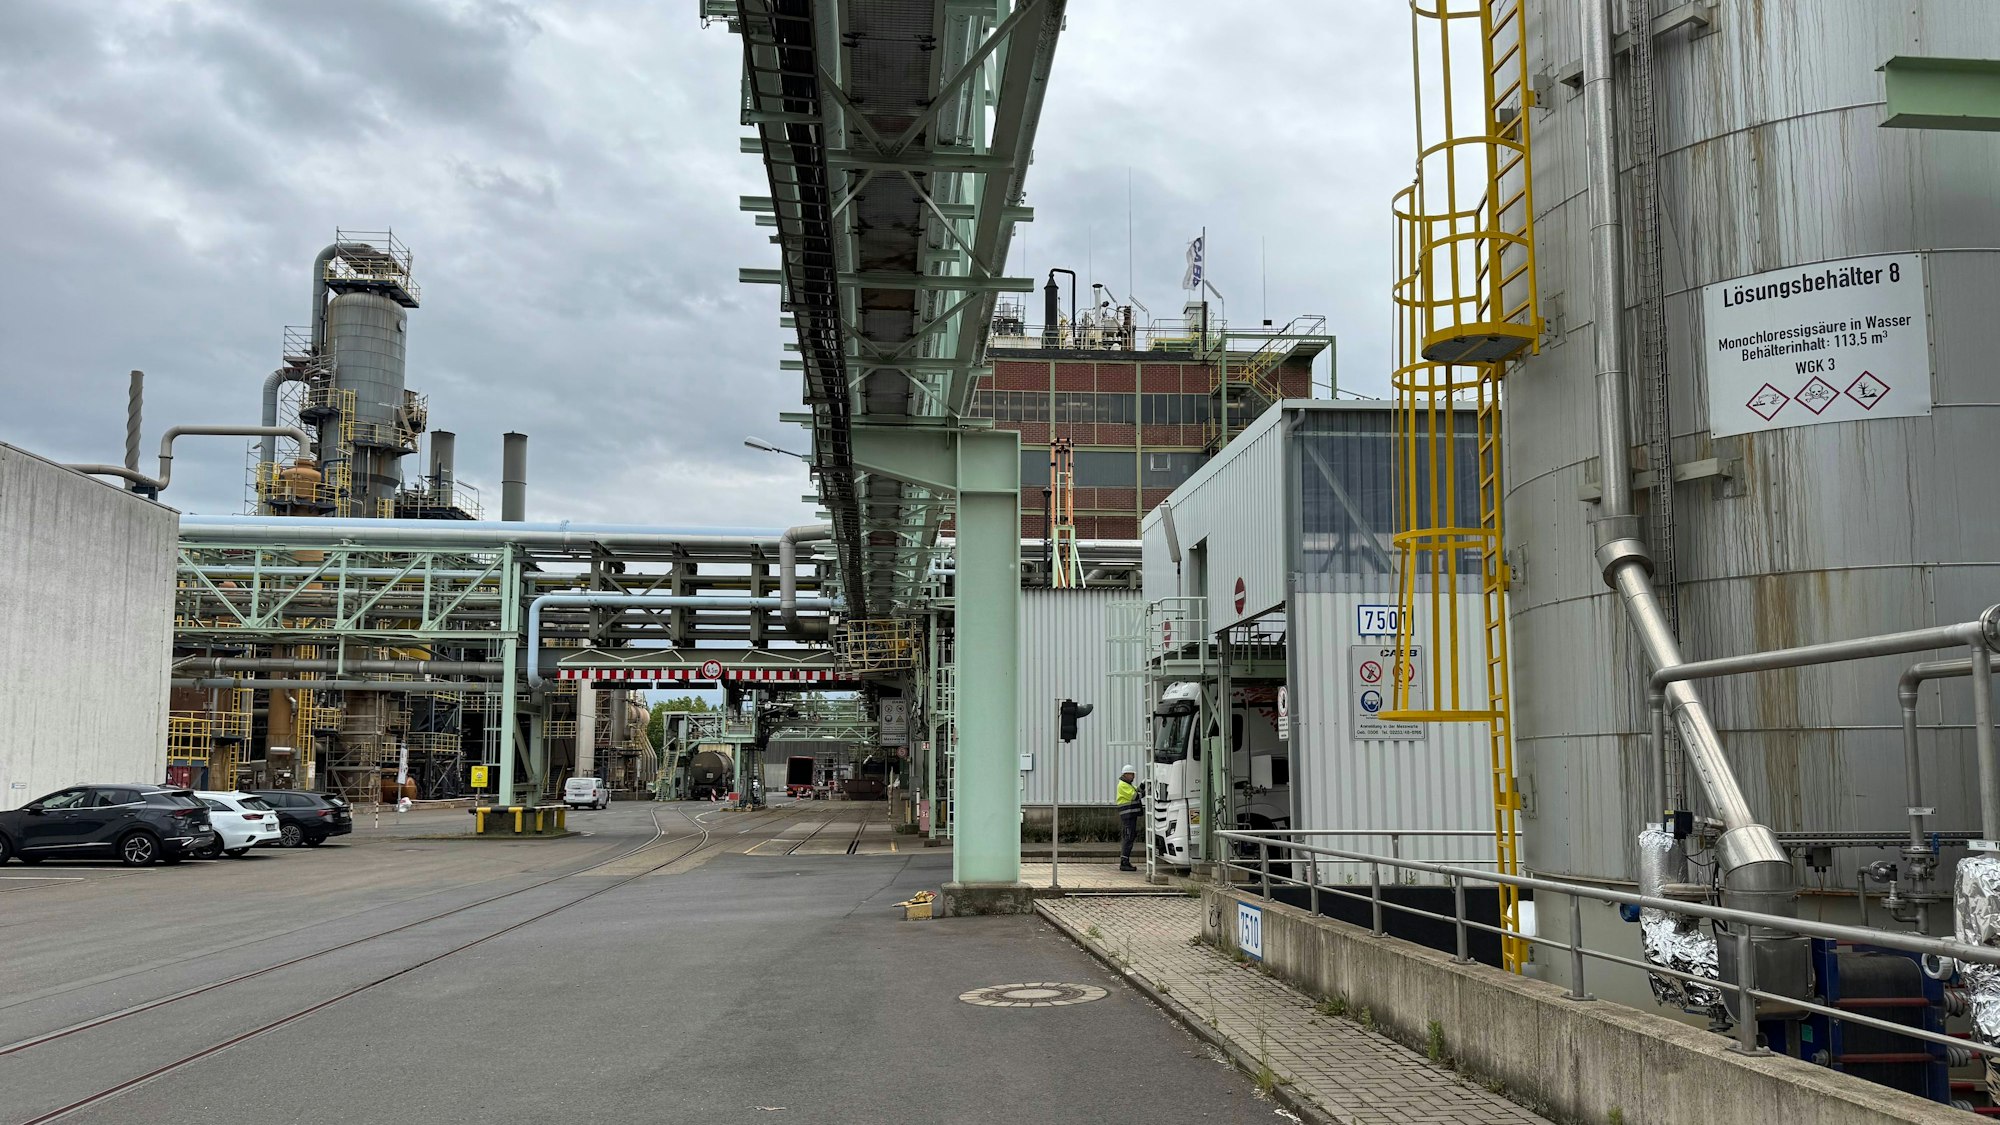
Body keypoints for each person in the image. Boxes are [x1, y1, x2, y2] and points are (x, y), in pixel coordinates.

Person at [1115, 765, 1142, 872]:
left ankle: (1125, 861)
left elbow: (1138, 791)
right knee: (1128, 836)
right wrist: (1144, 790)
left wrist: (1144, 785)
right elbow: (1135, 796)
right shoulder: (1123, 785)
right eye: (1132, 774)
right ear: (1126, 775)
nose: (1133, 776)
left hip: (1131, 815)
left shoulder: (1128, 785)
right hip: (1128, 815)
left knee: (1129, 836)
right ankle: (1124, 862)